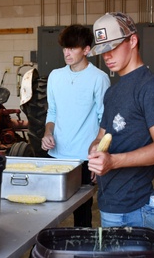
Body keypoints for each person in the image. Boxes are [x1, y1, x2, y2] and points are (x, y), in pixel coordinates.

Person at [87, 12, 154, 230]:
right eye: (102, 50)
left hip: (134, 209)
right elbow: (101, 135)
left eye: (113, 47)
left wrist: (113, 161)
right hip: (110, 203)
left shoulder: (150, 88)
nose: (106, 55)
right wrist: (95, 152)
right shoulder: (112, 92)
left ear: (133, 40)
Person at [41, 24, 110, 227]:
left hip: (83, 159)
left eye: (72, 48)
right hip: (56, 156)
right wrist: (47, 133)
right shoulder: (55, 76)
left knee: (82, 215)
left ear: (86, 50)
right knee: (49, 213)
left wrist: (98, 158)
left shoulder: (99, 78)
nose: (67, 53)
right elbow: (52, 112)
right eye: (65, 48)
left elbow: (104, 120)